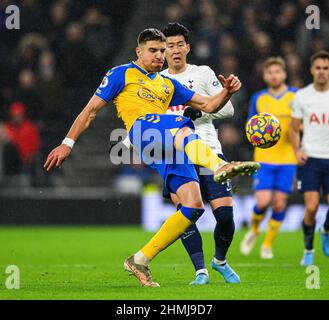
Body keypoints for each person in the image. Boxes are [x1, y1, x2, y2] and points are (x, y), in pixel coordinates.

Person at [44, 28, 260, 287]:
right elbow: (90, 111)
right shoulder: (120, 73)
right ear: (139, 51)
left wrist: (228, 91)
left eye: (162, 51)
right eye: (154, 50)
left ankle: (140, 259)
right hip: (143, 130)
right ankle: (220, 165)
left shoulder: (167, 84)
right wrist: (67, 143)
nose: (160, 55)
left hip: (169, 144)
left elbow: (209, 106)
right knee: (181, 123)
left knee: (193, 207)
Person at [160, 22, 239, 284]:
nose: (175, 50)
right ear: (163, 50)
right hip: (176, 157)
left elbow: (227, 111)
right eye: (169, 46)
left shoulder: (203, 73)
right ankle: (200, 270)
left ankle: (220, 261)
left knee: (226, 218)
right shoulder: (156, 82)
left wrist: (200, 111)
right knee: (187, 216)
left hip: (209, 151)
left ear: (188, 47)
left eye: (179, 44)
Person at [240, 57, 298, 259]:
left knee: (280, 203)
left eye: (277, 72)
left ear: (284, 74)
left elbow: (304, 122)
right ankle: (254, 230)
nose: (274, 75)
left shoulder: (295, 96)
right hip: (264, 157)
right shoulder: (259, 98)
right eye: (270, 72)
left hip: (288, 158)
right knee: (263, 201)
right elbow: (251, 126)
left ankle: (267, 245)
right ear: (265, 76)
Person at [290, 50, 329, 266]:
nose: (322, 72)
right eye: (319, 68)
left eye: (326, 68)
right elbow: (293, 129)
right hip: (311, 158)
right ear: (312, 70)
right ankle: (308, 249)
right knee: (312, 207)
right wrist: (298, 151)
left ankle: (325, 230)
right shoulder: (303, 96)